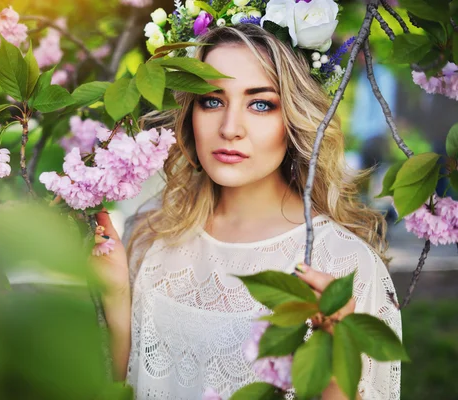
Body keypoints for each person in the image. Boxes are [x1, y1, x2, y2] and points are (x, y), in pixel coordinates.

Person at [92, 24, 401, 400]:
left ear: (294, 117)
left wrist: (336, 360)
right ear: (190, 111)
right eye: (211, 100)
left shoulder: (345, 265)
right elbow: (131, 382)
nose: (229, 128)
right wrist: (117, 297)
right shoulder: (152, 232)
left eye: (260, 104)